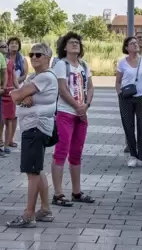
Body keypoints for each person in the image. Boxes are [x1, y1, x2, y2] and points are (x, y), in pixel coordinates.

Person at [7, 43, 57, 228]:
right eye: (32, 54)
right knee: (37, 169)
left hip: (36, 128)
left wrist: (21, 95)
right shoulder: (34, 76)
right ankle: (45, 209)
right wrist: (22, 95)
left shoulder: (44, 77)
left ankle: (29, 214)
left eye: (39, 54)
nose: (34, 57)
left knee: (32, 172)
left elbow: (14, 95)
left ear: (48, 58)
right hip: (32, 128)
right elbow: (20, 94)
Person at [51, 32, 95, 207]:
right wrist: (77, 107)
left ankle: (77, 192)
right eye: (71, 42)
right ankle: (58, 194)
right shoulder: (61, 65)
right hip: (65, 113)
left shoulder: (84, 65)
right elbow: (62, 89)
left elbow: (90, 87)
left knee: (77, 153)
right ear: (64, 46)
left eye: (77, 42)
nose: (75, 44)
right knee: (61, 152)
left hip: (81, 114)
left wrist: (86, 105)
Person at [115, 36, 142, 168]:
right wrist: (120, 94)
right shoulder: (122, 63)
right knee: (128, 127)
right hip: (126, 98)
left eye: (136, 43)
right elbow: (118, 81)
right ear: (126, 47)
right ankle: (133, 155)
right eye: (132, 43)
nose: (135, 45)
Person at [2, 37, 27, 149]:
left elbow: (24, 74)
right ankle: (0, 140)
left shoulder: (23, 59)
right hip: (6, 88)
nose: (14, 45)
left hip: (18, 87)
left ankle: (10, 139)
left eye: (16, 43)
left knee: (14, 116)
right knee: (3, 117)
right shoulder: (4, 58)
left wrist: (16, 84)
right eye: (11, 43)